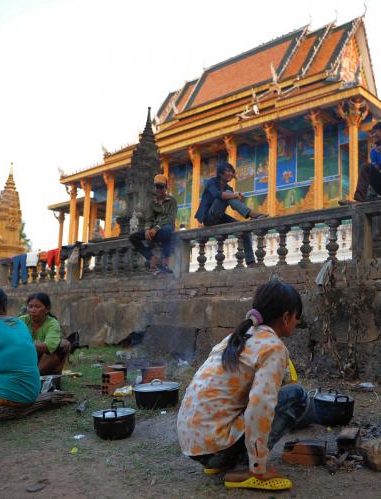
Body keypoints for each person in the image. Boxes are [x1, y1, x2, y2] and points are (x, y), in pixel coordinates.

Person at [177, 281, 308, 491]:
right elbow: (260, 407)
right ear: (285, 317)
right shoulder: (273, 347)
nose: (297, 321)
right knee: (298, 395)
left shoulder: (235, 338)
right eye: (296, 317)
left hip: (193, 444)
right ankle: (249, 470)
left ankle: (221, 461)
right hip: (214, 449)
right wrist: (259, 466)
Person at [194, 162, 266, 266]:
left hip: (220, 217)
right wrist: (234, 195)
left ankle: (250, 262)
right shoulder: (212, 182)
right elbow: (217, 194)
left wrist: (238, 199)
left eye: (232, 172)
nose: (230, 173)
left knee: (243, 228)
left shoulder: (229, 189)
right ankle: (251, 213)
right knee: (226, 194)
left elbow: (233, 206)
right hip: (209, 218)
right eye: (228, 171)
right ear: (220, 173)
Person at [129, 174, 178, 274]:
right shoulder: (152, 203)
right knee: (133, 237)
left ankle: (165, 261)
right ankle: (152, 257)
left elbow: (170, 218)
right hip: (153, 229)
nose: (159, 189)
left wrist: (156, 228)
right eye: (157, 187)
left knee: (167, 232)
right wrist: (147, 229)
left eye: (161, 187)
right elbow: (149, 219)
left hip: (165, 227)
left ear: (165, 188)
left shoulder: (172, 201)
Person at [18, 293, 69, 375]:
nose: (33, 310)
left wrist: (23, 344)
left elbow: (49, 346)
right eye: (30, 307)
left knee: (60, 347)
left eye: (37, 307)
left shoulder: (52, 323)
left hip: (42, 360)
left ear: (47, 309)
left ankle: (34, 375)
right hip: (26, 358)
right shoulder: (21, 321)